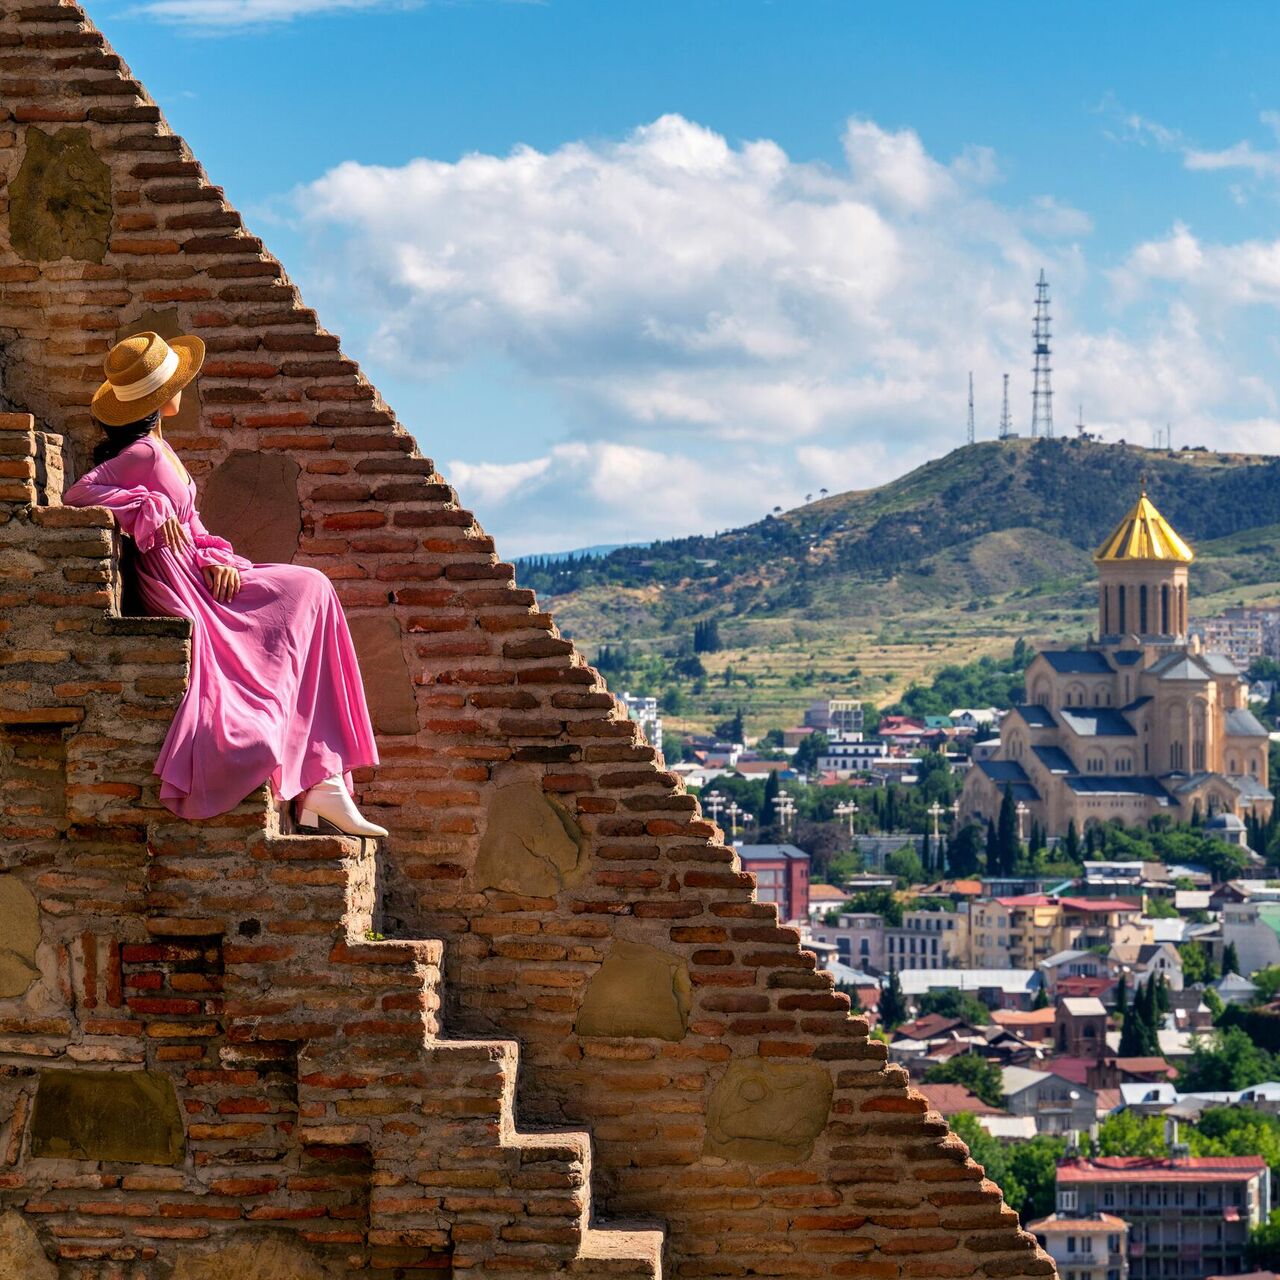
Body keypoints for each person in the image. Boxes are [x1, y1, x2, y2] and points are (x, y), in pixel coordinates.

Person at [62, 331, 388, 837]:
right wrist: (145, 507)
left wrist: (219, 557)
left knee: (312, 589)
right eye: (176, 382)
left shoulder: (160, 449)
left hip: (197, 566)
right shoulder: (144, 455)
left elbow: (191, 522)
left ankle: (324, 782)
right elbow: (78, 496)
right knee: (308, 591)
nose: (183, 389)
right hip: (176, 579)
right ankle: (321, 783)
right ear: (160, 397)